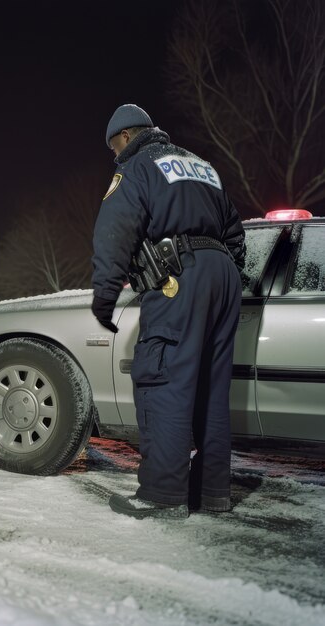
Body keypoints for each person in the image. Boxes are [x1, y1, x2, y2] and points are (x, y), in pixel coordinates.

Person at [91, 104, 246, 519]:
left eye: (113, 148)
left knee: (163, 382)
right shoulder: (200, 164)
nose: (114, 156)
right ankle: (213, 494)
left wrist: (105, 296)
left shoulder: (138, 165)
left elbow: (115, 228)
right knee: (212, 393)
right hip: (223, 274)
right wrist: (225, 275)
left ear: (125, 137)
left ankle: (163, 495)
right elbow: (234, 229)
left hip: (180, 275)